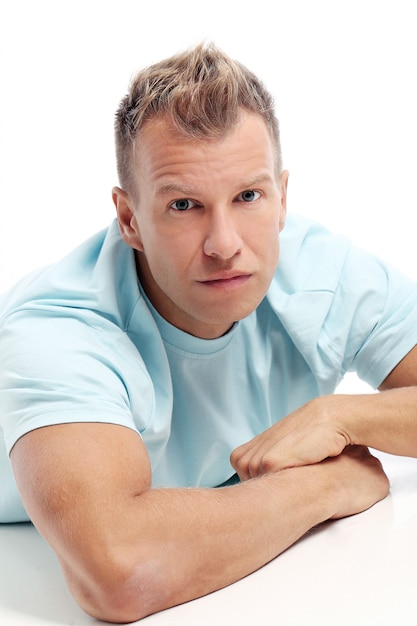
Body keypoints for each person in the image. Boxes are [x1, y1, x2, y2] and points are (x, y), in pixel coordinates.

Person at [0, 42, 416, 623]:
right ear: (129, 219)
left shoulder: (322, 272)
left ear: (281, 196)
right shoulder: (62, 328)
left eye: (248, 196)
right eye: (185, 205)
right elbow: (119, 571)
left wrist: (340, 416)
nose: (225, 244)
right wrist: (328, 487)